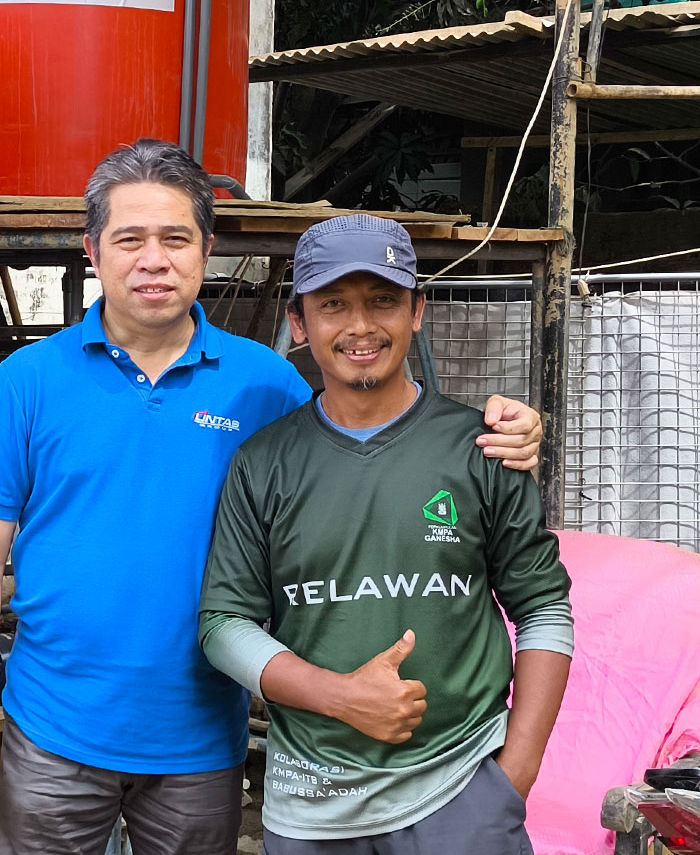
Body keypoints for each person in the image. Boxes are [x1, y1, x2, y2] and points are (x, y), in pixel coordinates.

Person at [0, 142, 546, 855]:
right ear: (92, 252)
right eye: (129, 240)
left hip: (201, 742)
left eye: (176, 238)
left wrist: (505, 431)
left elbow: (368, 443)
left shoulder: (265, 385)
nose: (154, 259)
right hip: (53, 732)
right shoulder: (30, 380)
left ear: (207, 250)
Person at [198, 214, 573, 855]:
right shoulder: (264, 463)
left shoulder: (483, 449)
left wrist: (516, 773)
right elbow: (224, 625)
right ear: (298, 323)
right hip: (313, 804)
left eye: (382, 300)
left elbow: (544, 608)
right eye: (333, 304)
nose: (360, 326)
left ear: (417, 311)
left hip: (462, 790)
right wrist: (340, 698)